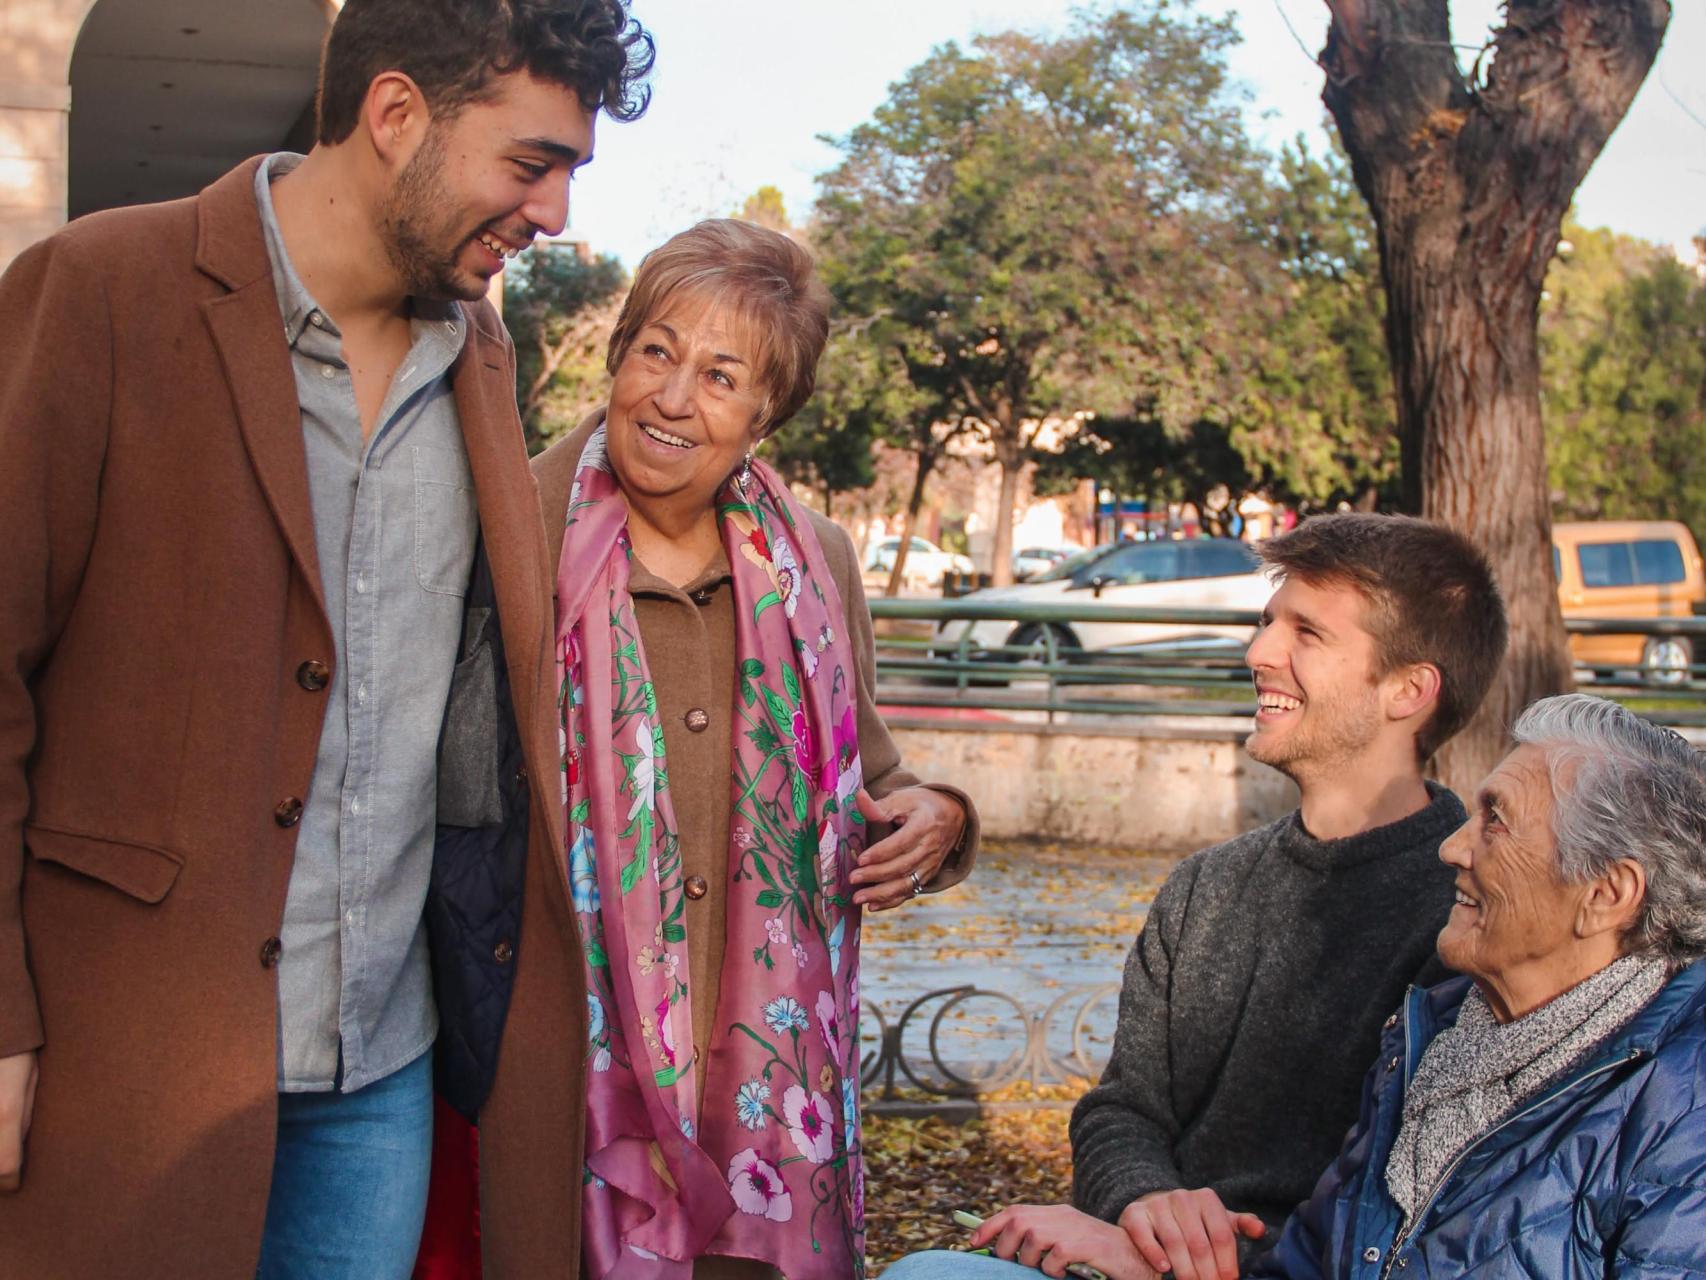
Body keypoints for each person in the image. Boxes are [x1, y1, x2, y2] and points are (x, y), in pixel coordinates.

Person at [0, 3, 652, 1278]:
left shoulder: (477, 348)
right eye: (531, 163)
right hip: (124, 1062)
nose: (556, 213)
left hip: (379, 1074)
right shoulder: (98, 287)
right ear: (395, 114)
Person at [883, 512, 1507, 1280]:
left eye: (1307, 634)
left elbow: (1421, 1209)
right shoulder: (1204, 887)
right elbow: (1123, 1110)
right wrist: (1144, 1203)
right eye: (1268, 621)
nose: (1259, 653)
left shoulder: (1469, 915)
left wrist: (1190, 1260)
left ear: (1408, 690)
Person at [529, 217, 980, 1280]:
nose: (672, 398)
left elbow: (875, 773)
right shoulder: (517, 527)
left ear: (764, 412)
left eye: (721, 376)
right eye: (655, 352)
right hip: (564, 1086)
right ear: (617, 356)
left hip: (763, 1114)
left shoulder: (813, 560)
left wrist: (938, 816)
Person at [1249, 693, 1706, 1278]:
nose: (1452, 848)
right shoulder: (1427, 1038)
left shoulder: (1683, 1109)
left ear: (1605, 894)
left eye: (1497, 822)